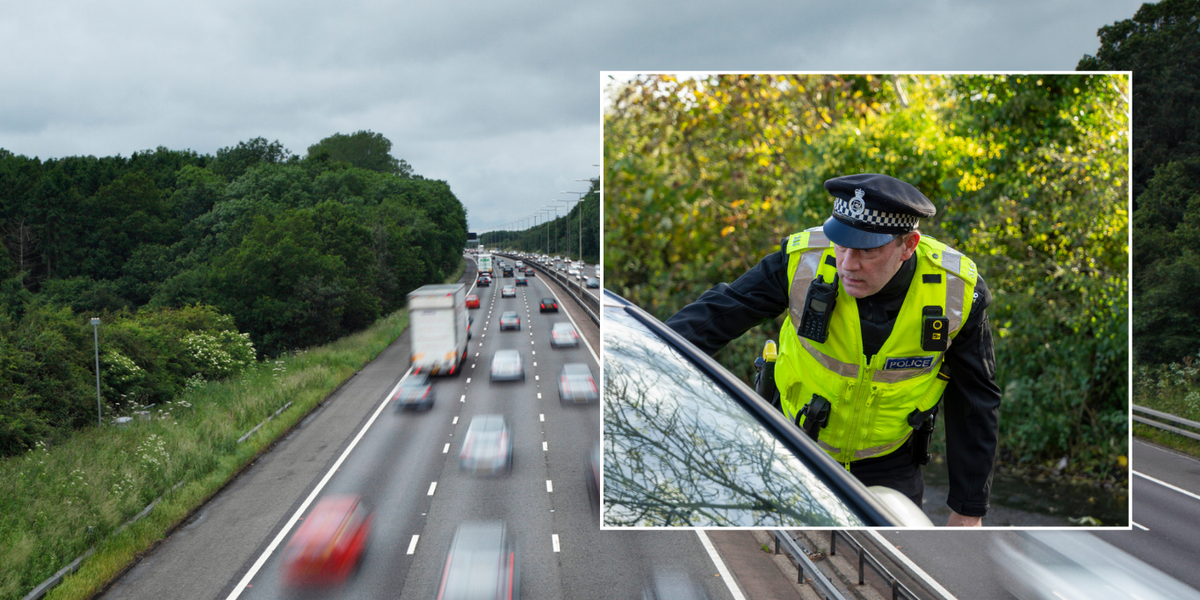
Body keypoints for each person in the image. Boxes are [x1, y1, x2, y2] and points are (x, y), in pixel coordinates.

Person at [665, 173, 1001, 527]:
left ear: (908, 244)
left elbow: (975, 401)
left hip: (890, 465)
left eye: (868, 250)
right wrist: (644, 357)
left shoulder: (957, 291)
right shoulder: (802, 261)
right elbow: (717, 314)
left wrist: (967, 511)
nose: (848, 264)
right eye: (841, 244)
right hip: (791, 445)